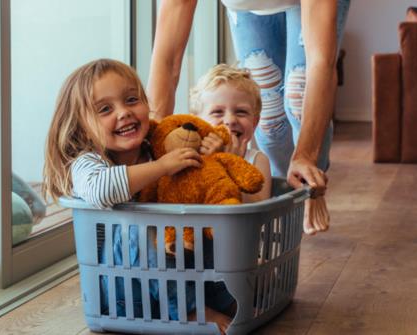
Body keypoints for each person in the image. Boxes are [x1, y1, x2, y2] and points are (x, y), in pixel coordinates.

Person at [42, 58, 231, 333]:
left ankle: (225, 299)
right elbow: (101, 190)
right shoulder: (88, 162)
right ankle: (190, 310)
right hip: (123, 293)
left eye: (132, 100)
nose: (124, 112)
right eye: (105, 109)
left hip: (176, 278)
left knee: (205, 225)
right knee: (138, 228)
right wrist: (162, 167)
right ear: (82, 127)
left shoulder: (156, 148)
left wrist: (209, 156)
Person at [148, 0, 351, 235]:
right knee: (270, 119)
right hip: (248, 7)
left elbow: (320, 62)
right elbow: (168, 58)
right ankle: (280, 193)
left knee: (298, 93)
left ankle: (310, 182)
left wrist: (306, 156)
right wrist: (153, 144)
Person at [190, 63, 272, 203]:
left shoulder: (257, 160)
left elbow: (257, 207)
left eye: (241, 112)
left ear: (255, 122)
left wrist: (230, 163)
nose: (230, 120)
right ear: (198, 121)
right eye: (217, 112)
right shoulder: (191, 155)